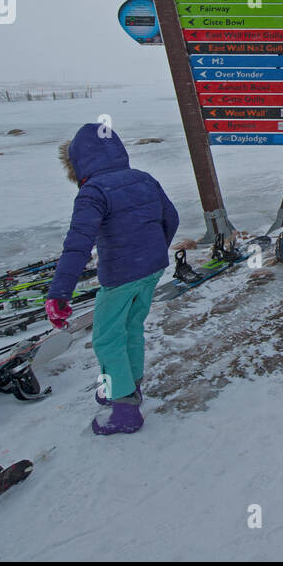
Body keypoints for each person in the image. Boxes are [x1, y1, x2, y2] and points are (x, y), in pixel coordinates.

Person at [45, 123, 180, 436]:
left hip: (120, 276)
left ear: (78, 163)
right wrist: (154, 250)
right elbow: (170, 218)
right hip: (152, 270)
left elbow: (78, 243)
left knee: (107, 337)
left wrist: (59, 292)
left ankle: (124, 408)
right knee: (131, 328)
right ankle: (128, 386)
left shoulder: (92, 192)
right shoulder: (144, 179)